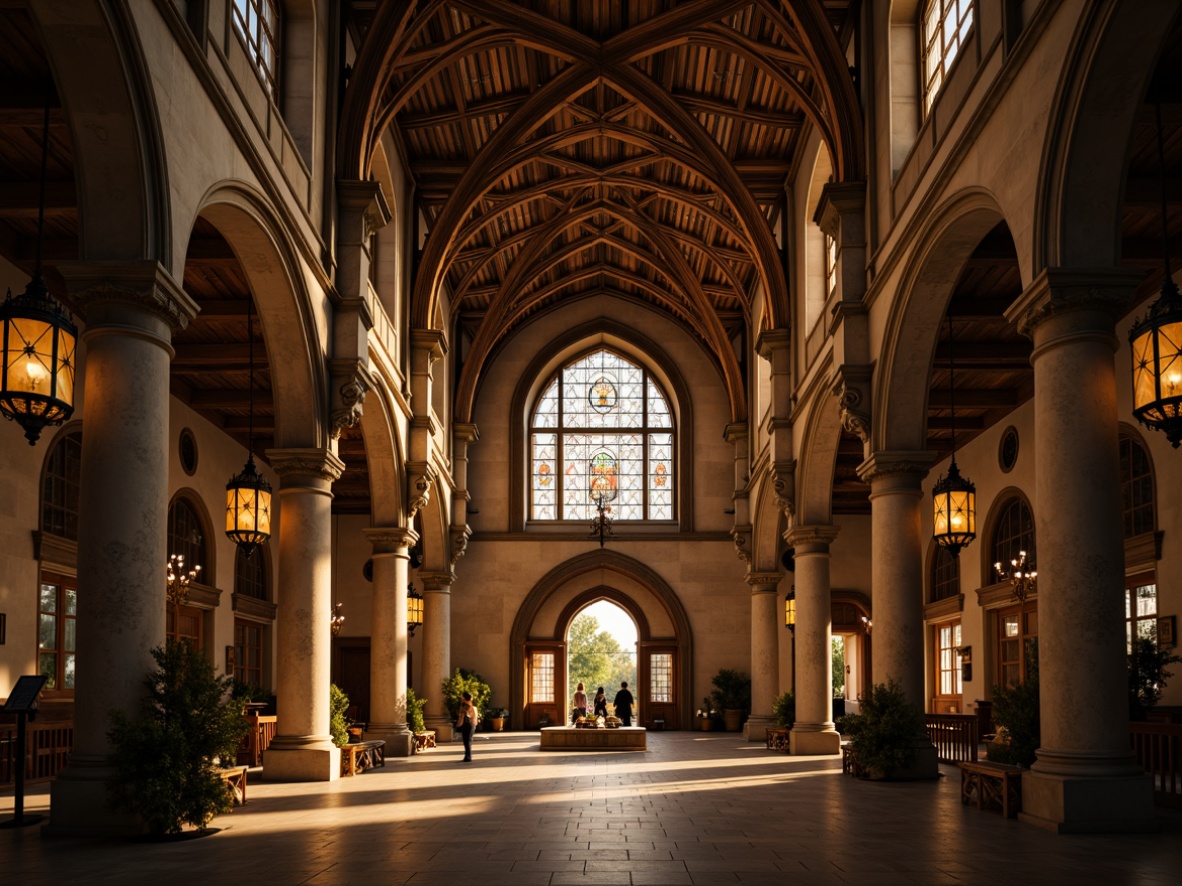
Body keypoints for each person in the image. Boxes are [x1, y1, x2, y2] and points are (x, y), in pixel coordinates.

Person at [456, 690, 478, 762]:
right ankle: (467, 756)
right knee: (466, 741)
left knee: (467, 741)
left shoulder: (468, 707)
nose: (462, 699)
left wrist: (458, 724)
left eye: (463, 697)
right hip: (468, 725)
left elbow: (464, 716)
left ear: (465, 698)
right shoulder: (466, 706)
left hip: (468, 725)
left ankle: (468, 756)